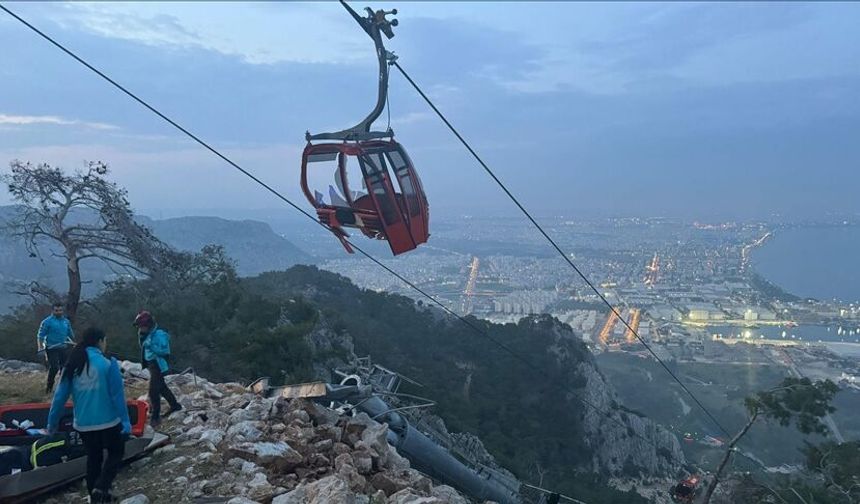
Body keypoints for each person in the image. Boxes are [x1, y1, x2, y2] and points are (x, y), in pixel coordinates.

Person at [47, 327, 131, 504]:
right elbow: (117, 396)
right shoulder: (108, 363)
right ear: (100, 341)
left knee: (94, 458)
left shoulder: (72, 364)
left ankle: (95, 498)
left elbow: (59, 397)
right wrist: (125, 421)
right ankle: (102, 486)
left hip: (83, 424)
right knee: (116, 452)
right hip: (109, 421)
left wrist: (52, 423)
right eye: (105, 341)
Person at [133, 310, 182, 426]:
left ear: (148, 325)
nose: (140, 328)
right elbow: (143, 347)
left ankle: (155, 417)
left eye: (142, 326)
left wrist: (152, 346)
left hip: (158, 365)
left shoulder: (159, 335)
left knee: (153, 391)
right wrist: (141, 337)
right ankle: (175, 405)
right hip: (151, 364)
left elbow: (165, 351)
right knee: (162, 388)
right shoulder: (144, 334)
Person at [37, 302, 75, 394]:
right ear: (53, 311)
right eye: (56, 310)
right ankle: (49, 388)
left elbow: (70, 334)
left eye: (60, 310)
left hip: (63, 347)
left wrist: (74, 342)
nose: (59, 312)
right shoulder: (47, 322)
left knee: (64, 368)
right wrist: (40, 347)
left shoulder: (66, 321)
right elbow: (40, 336)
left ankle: (63, 389)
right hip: (51, 348)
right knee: (54, 367)